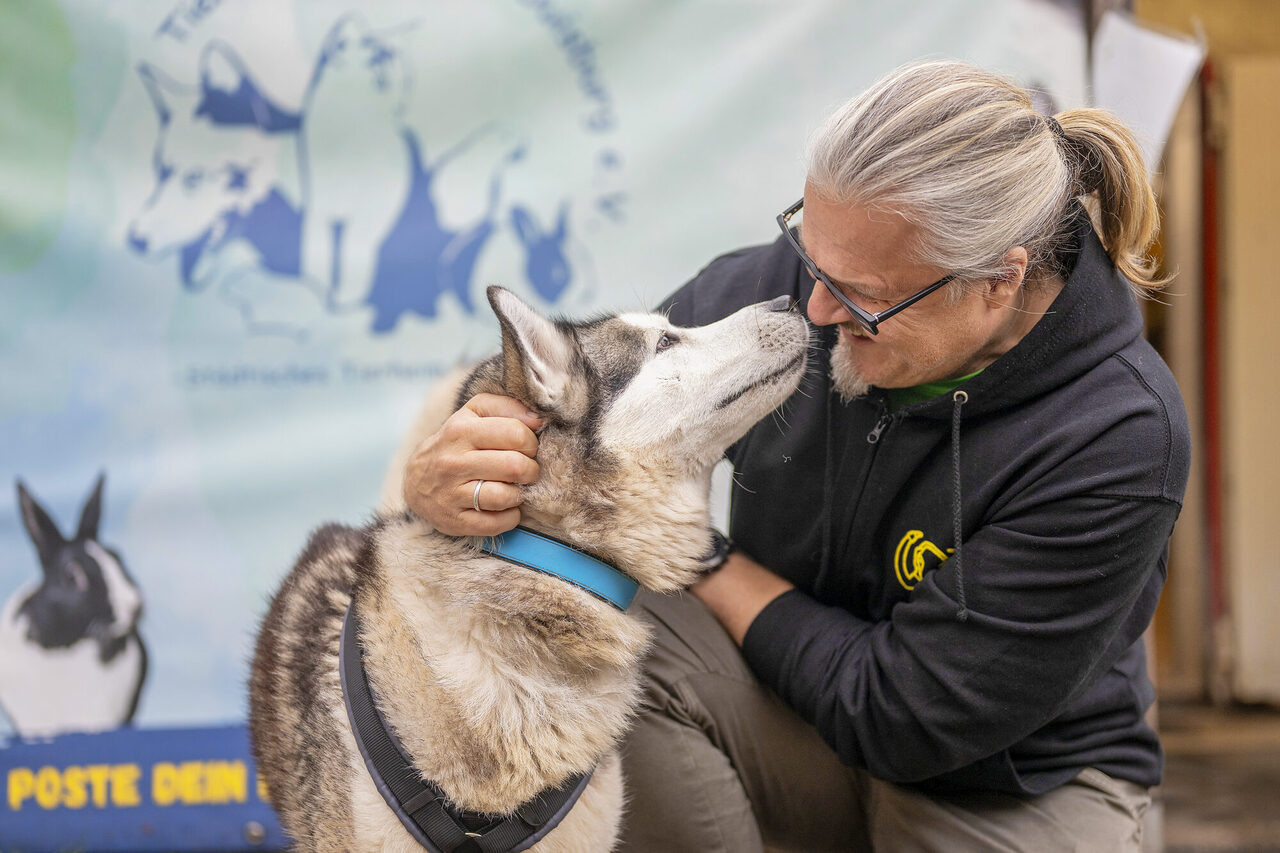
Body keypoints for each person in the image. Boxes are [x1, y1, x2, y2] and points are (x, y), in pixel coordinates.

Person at [403, 60, 1190, 852]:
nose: (811, 307)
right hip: (786, 710)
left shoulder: (1118, 434)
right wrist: (456, 472)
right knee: (581, 620)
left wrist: (711, 563)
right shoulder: (818, 283)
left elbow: (905, 715)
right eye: (809, 256)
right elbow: (580, 422)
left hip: (1003, 780)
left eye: (861, 293)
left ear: (997, 282)